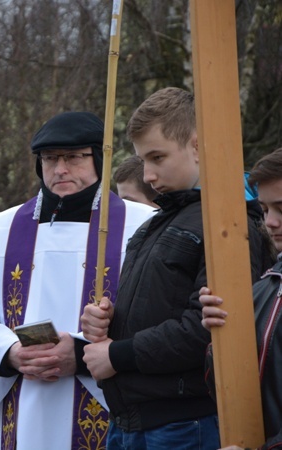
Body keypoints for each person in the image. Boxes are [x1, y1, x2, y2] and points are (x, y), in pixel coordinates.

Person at [0, 111, 156, 450]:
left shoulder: (142, 225)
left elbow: (158, 312)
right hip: (24, 400)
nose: (60, 169)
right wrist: (10, 352)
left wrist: (81, 352)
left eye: (74, 158)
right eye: (49, 159)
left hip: (109, 398)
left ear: (99, 159)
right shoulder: (4, 228)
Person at [80, 87, 274, 449]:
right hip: (130, 421)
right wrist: (106, 319)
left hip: (184, 422)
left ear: (198, 145)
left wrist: (117, 354)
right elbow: (156, 307)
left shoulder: (228, 225)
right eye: (143, 161)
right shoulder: (157, 223)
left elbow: (212, 330)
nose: (149, 175)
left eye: (158, 157)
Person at [201, 147, 282, 450]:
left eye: (281, 209)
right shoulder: (266, 285)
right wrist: (220, 337)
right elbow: (224, 390)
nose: (270, 222)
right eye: (264, 209)